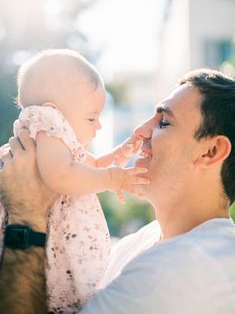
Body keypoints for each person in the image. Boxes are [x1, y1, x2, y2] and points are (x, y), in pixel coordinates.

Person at [1, 68, 235, 314]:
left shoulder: (189, 265)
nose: (140, 133)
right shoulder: (137, 244)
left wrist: (25, 214)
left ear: (211, 151)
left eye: (164, 122)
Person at [0, 49, 149, 313]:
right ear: (53, 113)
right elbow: (61, 176)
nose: (98, 126)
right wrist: (113, 178)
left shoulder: (58, 144)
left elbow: (87, 166)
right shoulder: (45, 126)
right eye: (91, 118)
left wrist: (116, 156)